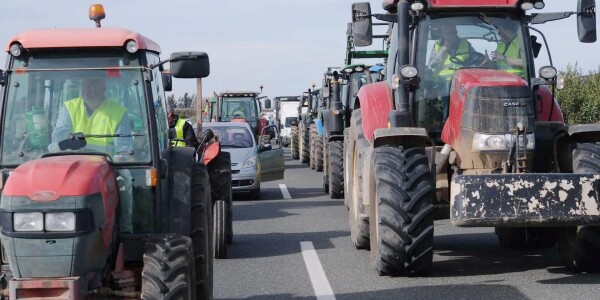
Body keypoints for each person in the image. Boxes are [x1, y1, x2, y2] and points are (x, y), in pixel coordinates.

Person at [50, 77, 133, 233]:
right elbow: (58, 138)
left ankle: (125, 229)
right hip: (71, 163)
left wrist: (119, 158)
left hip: (107, 165)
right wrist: (65, 145)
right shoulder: (69, 108)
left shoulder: (118, 113)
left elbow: (123, 148)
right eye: (84, 85)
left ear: (103, 87)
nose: (87, 89)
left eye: (93, 84)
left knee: (125, 180)